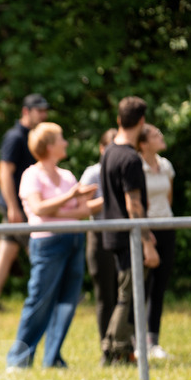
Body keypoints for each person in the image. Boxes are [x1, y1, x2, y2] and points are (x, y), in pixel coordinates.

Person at [6, 122, 95, 369]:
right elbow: (38, 209)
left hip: (74, 239)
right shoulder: (31, 175)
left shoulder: (66, 175)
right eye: (61, 138)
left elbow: (80, 211)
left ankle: (52, 358)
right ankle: (18, 360)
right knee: (39, 302)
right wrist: (69, 199)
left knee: (67, 302)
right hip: (47, 243)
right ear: (48, 145)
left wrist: (108, 198)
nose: (66, 142)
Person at [100, 96, 160, 365]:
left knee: (125, 293)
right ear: (142, 121)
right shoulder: (130, 159)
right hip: (128, 236)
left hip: (112, 232)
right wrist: (146, 243)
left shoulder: (110, 152)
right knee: (128, 295)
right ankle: (114, 349)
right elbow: (133, 204)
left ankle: (117, 349)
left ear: (118, 120)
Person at [0, 93, 50, 312]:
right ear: (25, 112)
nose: (44, 115)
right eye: (39, 111)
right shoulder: (16, 137)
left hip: (20, 203)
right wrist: (12, 206)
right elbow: (4, 173)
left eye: (45, 111)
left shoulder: (33, 136)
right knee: (38, 248)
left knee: (7, 250)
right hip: (17, 205)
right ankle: (53, 293)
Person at [137, 123, 176, 359]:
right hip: (144, 229)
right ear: (143, 143)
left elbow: (168, 197)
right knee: (139, 286)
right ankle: (135, 340)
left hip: (166, 227)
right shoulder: (136, 167)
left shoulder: (166, 165)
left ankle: (153, 341)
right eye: (154, 135)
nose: (160, 136)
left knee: (158, 287)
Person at [81, 129, 118, 346]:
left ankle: (124, 342)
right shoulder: (92, 173)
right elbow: (83, 208)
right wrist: (109, 199)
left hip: (122, 236)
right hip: (100, 237)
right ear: (102, 149)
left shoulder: (122, 169)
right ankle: (107, 344)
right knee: (106, 295)